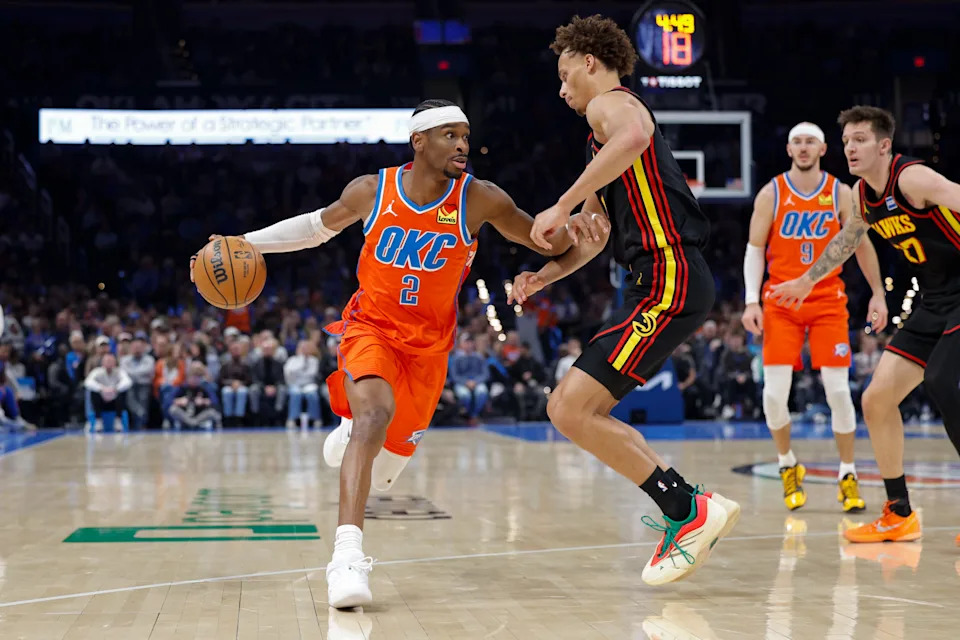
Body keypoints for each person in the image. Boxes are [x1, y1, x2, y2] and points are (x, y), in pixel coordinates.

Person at [192, 99, 605, 608]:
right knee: (373, 418)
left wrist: (579, 229)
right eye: (449, 135)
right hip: (371, 329)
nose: (462, 145)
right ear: (419, 142)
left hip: (428, 349)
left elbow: (545, 242)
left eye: (465, 135)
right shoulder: (373, 190)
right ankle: (345, 558)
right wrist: (244, 241)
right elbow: (315, 227)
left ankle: (353, 432)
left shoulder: (480, 199)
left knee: (384, 471)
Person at [509, 14, 739, 585]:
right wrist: (546, 275)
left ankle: (687, 510)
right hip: (661, 280)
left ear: (590, 62)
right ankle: (686, 505)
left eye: (565, 75)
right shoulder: (601, 140)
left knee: (567, 408)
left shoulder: (611, 106)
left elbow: (634, 138)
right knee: (580, 410)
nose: (562, 90)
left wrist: (562, 203)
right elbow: (598, 237)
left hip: (670, 276)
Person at [771, 105, 960, 544]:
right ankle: (899, 513)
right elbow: (847, 240)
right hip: (933, 301)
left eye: (860, 139)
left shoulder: (911, 178)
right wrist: (805, 279)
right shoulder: (860, 195)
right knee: (876, 400)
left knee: (942, 380)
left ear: (884, 145)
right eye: (847, 141)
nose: (850, 148)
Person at [741, 121, 888, 512]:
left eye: (811, 142)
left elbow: (860, 243)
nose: (803, 148)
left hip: (826, 301)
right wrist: (751, 300)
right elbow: (755, 249)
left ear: (823, 149)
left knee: (838, 391)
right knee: (774, 396)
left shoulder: (841, 192)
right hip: (781, 302)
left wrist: (878, 292)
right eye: (797, 142)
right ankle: (788, 465)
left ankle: (847, 473)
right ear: (789, 149)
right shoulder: (771, 193)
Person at [83, 352, 132, 431]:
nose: (109, 363)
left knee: (123, 392)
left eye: (111, 361)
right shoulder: (97, 371)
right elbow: (87, 382)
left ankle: (118, 421)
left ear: (115, 362)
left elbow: (128, 382)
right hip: (101, 401)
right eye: (107, 361)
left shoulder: (119, 371)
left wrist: (115, 389)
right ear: (102, 362)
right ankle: (98, 421)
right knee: (93, 392)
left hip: (115, 401)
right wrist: (101, 389)